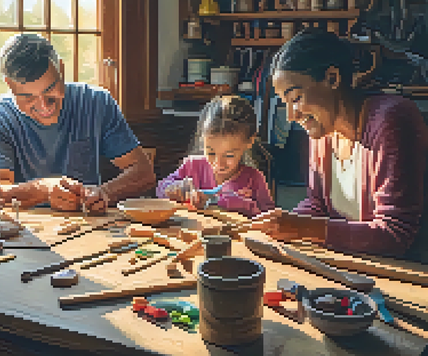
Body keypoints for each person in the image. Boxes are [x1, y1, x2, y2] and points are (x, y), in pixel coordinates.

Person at [252, 28, 428, 261]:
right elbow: (317, 206)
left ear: (332, 78)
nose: (291, 116)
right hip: (355, 267)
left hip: (409, 276)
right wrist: (281, 224)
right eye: (286, 103)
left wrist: (301, 228)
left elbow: (395, 234)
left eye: (296, 99)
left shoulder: (392, 119)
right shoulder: (322, 131)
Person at [0, 34, 156, 214]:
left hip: (86, 224)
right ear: (9, 85)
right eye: (28, 97)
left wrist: (105, 192)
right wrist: (44, 190)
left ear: (61, 68)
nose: (43, 106)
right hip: (24, 229)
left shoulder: (96, 102)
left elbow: (143, 172)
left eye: (50, 90)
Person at [157, 95, 275, 217]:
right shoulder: (192, 167)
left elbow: (270, 218)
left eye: (229, 155)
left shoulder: (254, 179)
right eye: (211, 153)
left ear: (249, 142)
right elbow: (160, 189)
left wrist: (226, 202)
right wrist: (173, 189)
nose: (218, 163)